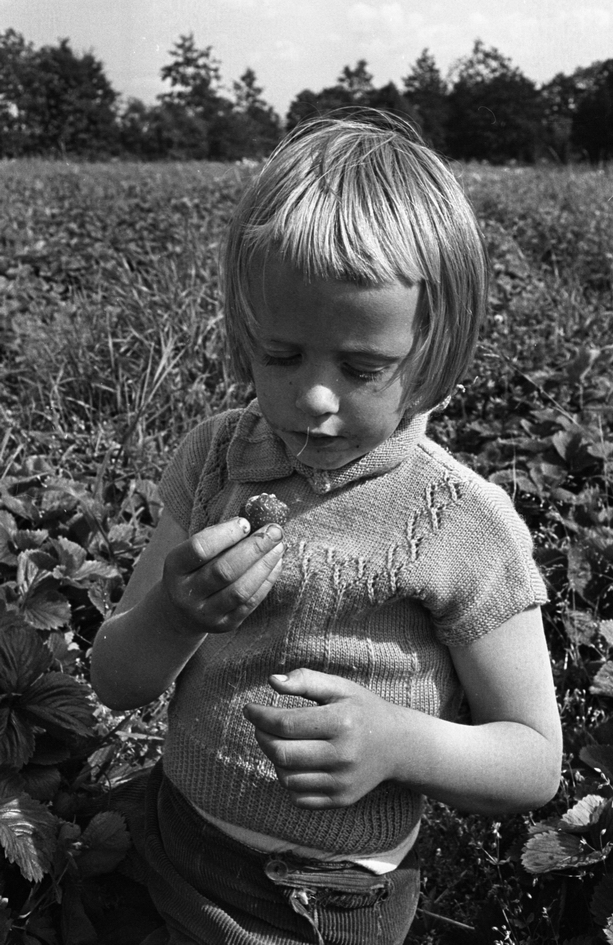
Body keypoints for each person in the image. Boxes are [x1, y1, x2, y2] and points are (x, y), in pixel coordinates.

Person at [91, 112, 562, 945]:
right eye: (280, 357)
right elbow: (116, 679)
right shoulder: (215, 463)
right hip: (174, 834)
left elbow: (532, 762)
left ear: (435, 355)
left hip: (329, 902)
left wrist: (398, 743)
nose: (313, 397)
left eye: (359, 367)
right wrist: (176, 613)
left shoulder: (462, 524)